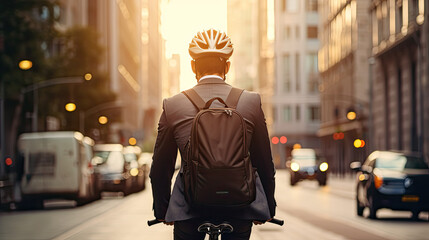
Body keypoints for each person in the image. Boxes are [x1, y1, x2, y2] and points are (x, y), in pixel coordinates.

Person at [150, 29, 276, 240]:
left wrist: (162, 210)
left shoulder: (173, 105)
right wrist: (267, 208)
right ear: (227, 65)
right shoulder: (251, 102)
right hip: (239, 208)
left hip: (188, 209)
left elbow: (161, 167)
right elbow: (264, 162)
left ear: (193, 66)